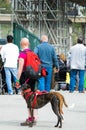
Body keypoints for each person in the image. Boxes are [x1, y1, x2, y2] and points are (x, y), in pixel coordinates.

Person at [16, 37, 37, 126]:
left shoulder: (22, 54)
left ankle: (30, 118)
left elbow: (20, 69)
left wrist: (17, 80)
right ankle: (34, 117)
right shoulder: (33, 53)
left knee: (28, 99)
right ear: (28, 44)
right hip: (33, 77)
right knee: (33, 97)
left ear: (21, 44)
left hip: (25, 78)